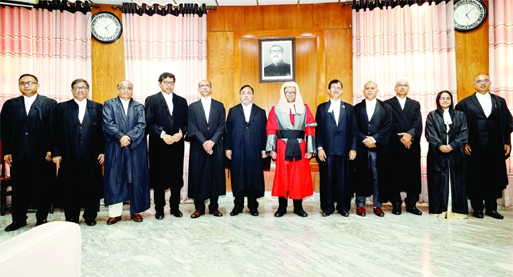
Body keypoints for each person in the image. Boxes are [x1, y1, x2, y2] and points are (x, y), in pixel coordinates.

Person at [1, 74, 57, 231]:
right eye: (22, 83)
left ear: (37, 85)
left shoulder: (49, 104)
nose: (26, 85)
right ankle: (19, 219)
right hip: (18, 154)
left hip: (42, 154)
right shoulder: (10, 105)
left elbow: (55, 129)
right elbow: (4, 131)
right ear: (19, 85)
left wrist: (51, 150)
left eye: (30, 83)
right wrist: (7, 151)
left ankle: (42, 218)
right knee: (19, 188)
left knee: (43, 187)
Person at [455, 74, 513, 219]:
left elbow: (507, 124)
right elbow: (458, 126)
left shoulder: (499, 102)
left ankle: (491, 209)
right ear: (473, 84)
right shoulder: (465, 103)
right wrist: (464, 143)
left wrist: (507, 142)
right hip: (474, 147)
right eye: (479, 81)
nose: (482, 83)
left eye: (485, 80)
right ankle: (478, 208)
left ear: (490, 83)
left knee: (493, 178)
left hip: (495, 147)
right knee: (475, 178)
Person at [52, 78, 104, 226]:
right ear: (72, 90)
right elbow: (55, 131)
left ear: (88, 90)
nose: (80, 90)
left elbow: (103, 132)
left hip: (92, 155)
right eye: (77, 87)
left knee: (91, 187)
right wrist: (56, 153)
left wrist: (102, 151)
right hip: (69, 155)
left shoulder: (98, 108)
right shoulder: (61, 108)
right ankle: (72, 216)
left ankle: (90, 216)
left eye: (83, 87)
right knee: (70, 187)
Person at [266, 81, 316, 217]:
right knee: (283, 175)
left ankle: (298, 207)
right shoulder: (275, 109)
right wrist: (272, 149)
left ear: (296, 93)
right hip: (282, 146)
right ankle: (282, 207)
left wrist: (310, 150)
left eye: (292, 92)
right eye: (287, 92)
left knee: (298, 176)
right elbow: (271, 130)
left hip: (300, 145)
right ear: (283, 93)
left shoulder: (304, 108)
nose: (290, 95)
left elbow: (310, 130)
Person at [102, 80, 150, 225]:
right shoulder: (109, 104)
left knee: (137, 178)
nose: (126, 90)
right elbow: (107, 123)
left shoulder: (139, 106)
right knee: (115, 179)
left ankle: (136, 211)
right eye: (122, 87)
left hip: (135, 148)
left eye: (129, 88)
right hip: (115, 147)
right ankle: (115, 214)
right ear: (117, 89)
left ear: (132, 90)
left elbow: (142, 124)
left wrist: (128, 137)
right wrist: (120, 136)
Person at [145, 72, 188, 220]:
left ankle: (175, 207)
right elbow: (149, 123)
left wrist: (181, 133)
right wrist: (163, 135)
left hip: (177, 144)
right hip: (159, 145)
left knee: (176, 178)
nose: (169, 85)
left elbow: (186, 123)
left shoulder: (182, 101)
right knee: (158, 178)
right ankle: (159, 209)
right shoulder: (151, 100)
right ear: (159, 83)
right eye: (166, 82)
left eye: (171, 82)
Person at [315, 79, 357, 217]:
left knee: (344, 179)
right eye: (333, 88)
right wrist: (319, 148)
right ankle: (327, 207)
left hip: (345, 150)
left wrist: (353, 148)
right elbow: (318, 130)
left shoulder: (349, 108)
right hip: (327, 150)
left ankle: (343, 207)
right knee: (327, 179)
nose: (336, 90)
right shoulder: (321, 108)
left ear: (342, 90)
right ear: (328, 90)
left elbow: (353, 130)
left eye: (339, 88)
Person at [225, 85, 268, 216]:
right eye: (243, 93)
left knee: (253, 176)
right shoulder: (233, 111)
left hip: (255, 149)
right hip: (237, 149)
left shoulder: (260, 112)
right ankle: (238, 205)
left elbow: (265, 132)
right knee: (238, 176)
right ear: (240, 96)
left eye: (248, 93)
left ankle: (252, 206)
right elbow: (227, 131)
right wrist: (227, 148)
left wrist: (265, 149)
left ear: (253, 96)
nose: (246, 95)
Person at [426, 90, 469, 219]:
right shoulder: (432, 116)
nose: (445, 101)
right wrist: (440, 145)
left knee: (458, 182)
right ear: (438, 101)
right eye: (442, 98)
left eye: (447, 98)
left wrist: (452, 145)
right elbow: (430, 134)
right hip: (437, 155)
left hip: (456, 154)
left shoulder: (460, 115)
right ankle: (439, 210)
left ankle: (458, 211)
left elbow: (464, 133)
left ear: (451, 100)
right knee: (438, 182)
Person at [187, 80, 226, 218]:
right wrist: (204, 142)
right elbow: (192, 127)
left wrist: (212, 142)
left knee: (215, 175)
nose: (205, 88)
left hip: (215, 147)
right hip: (198, 147)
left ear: (211, 88)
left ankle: (214, 207)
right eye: (202, 86)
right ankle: (199, 208)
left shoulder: (219, 106)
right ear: (198, 88)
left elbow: (222, 126)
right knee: (198, 175)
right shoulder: (192, 107)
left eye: (207, 85)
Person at [384, 78, 423, 215]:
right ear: (395, 88)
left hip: (411, 146)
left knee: (412, 176)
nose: (402, 87)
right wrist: (401, 137)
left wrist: (410, 135)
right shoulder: (387, 104)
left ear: (408, 89)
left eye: (405, 85)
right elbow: (387, 124)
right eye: (399, 85)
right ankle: (396, 204)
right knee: (394, 176)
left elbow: (418, 123)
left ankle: (412, 204)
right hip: (394, 146)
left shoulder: (415, 104)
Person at [353, 81, 392, 217]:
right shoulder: (357, 108)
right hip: (361, 148)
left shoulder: (386, 108)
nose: (370, 90)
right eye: (367, 88)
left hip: (379, 148)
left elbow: (388, 127)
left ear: (377, 91)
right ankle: (360, 205)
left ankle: (378, 205)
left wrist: (374, 139)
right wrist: (364, 139)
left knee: (378, 177)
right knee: (361, 176)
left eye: (372, 88)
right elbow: (354, 128)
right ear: (363, 91)